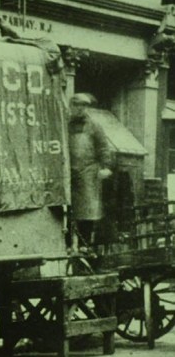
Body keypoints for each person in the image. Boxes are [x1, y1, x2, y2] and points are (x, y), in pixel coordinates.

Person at [68, 93, 113, 246]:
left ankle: (84, 247)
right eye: (77, 105)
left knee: (87, 212)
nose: (80, 109)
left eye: (83, 106)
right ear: (71, 106)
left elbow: (103, 148)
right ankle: (67, 247)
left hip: (88, 173)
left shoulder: (94, 126)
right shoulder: (65, 124)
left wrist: (106, 167)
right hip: (68, 173)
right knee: (67, 211)